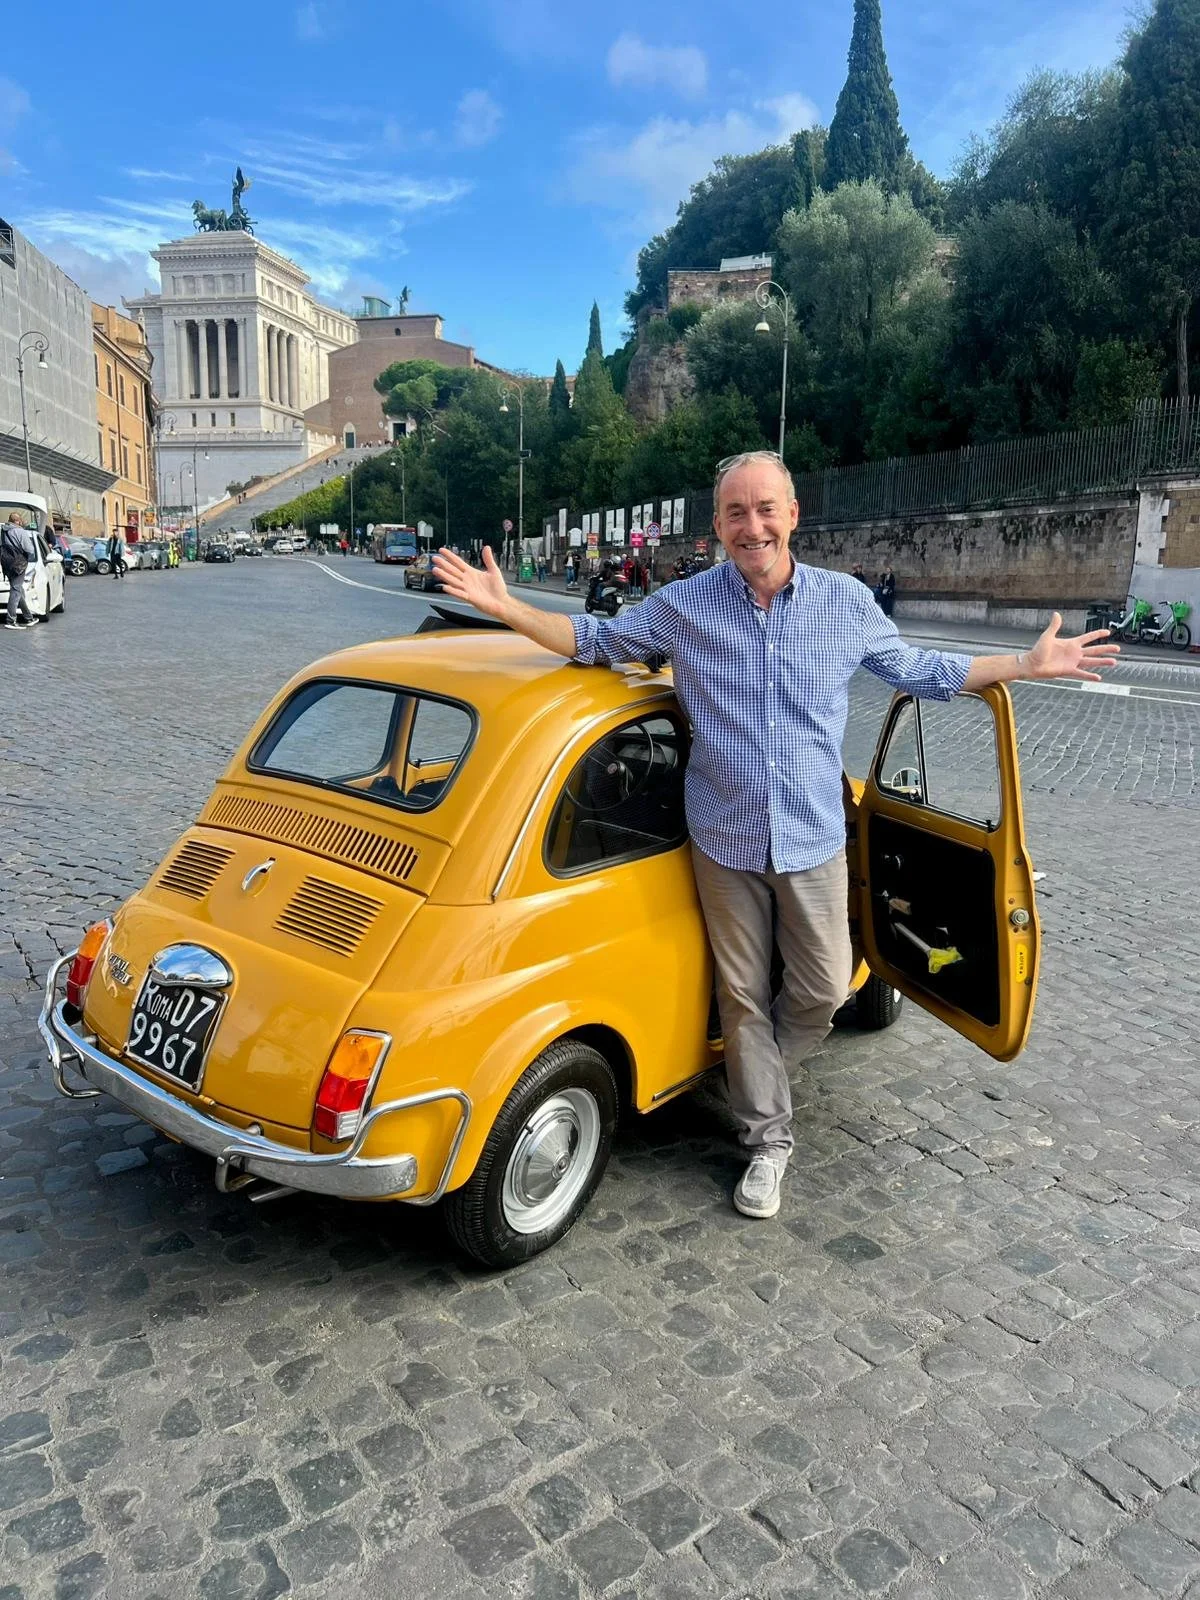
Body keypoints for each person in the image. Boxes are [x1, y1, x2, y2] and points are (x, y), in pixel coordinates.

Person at [432, 450, 1120, 1219]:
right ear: (719, 525)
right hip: (722, 841)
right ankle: (768, 1140)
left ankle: (751, 1077)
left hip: (814, 838)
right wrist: (507, 606)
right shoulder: (685, 605)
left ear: (793, 515)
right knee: (742, 998)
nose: (750, 525)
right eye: (734, 512)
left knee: (825, 986)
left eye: (765, 509)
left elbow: (921, 670)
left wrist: (1024, 663)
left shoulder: (846, 603)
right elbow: (596, 639)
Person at [1, 511, 38, 628]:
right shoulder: (20, 532)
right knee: (16, 591)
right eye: (20, 521)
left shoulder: (3, 531)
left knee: (18, 590)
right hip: (18, 564)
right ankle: (11, 620)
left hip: (6, 564)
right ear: (17, 521)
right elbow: (30, 549)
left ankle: (28, 618)